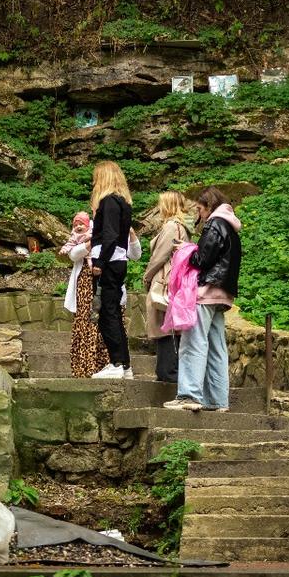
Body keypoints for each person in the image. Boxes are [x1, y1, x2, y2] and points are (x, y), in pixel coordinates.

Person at [165, 187, 241, 411]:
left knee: (193, 343)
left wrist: (186, 249)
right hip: (222, 293)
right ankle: (218, 400)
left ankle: (189, 395)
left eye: (199, 209)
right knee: (217, 348)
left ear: (209, 206)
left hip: (206, 292)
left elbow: (201, 260)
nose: (199, 213)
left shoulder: (215, 224)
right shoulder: (231, 226)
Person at [88, 161, 134, 379]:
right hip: (117, 260)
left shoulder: (109, 201)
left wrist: (99, 262)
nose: (93, 182)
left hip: (108, 262)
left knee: (107, 313)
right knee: (112, 311)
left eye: (96, 177)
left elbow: (110, 235)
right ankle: (124, 365)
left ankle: (116, 363)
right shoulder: (123, 202)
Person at [143, 191, 192, 382]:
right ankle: (169, 370)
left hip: (166, 279)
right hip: (177, 279)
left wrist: (147, 277)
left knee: (164, 323)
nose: (159, 208)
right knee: (171, 324)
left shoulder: (172, 226)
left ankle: (167, 371)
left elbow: (159, 257)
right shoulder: (183, 227)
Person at [60, 211, 111, 378]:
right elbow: (73, 255)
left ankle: (104, 365)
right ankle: (83, 367)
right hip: (84, 281)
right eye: (75, 224)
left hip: (103, 279)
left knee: (102, 322)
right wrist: (91, 243)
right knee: (85, 321)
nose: (78, 226)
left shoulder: (100, 230)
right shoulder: (77, 235)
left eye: (81, 223)